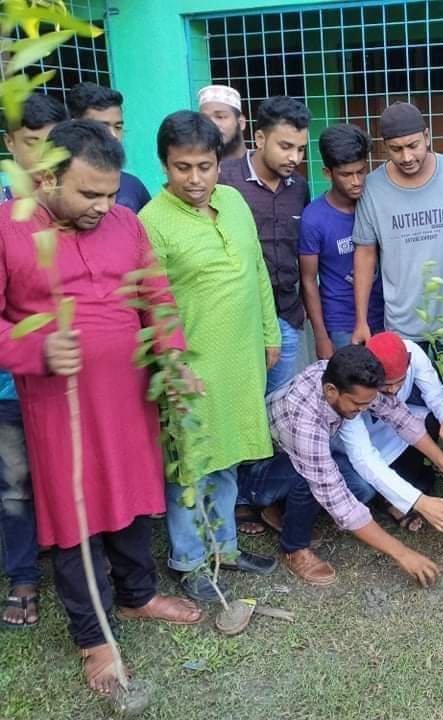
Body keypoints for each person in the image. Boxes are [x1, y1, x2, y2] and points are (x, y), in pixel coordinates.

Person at [0, 120, 204, 694]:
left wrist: (173, 360)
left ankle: (137, 595)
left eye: (111, 193)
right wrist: (34, 347)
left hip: (129, 396)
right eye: (89, 193)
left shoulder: (125, 224)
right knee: (77, 517)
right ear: (47, 176)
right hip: (60, 406)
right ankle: (93, 636)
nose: (103, 206)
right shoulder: (10, 231)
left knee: (133, 497)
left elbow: (155, 297)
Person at [140, 111, 281, 602]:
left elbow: (256, 270)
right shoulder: (151, 223)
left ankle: (225, 547)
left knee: (228, 456)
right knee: (192, 462)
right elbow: (151, 305)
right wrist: (174, 366)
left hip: (241, 355)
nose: (196, 179)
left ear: (219, 163)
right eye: (183, 168)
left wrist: (270, 333)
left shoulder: (235, 201)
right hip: (192, 366)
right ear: (164, 166)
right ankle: (189, 559)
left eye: (205, 166)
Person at [238, 344, 443, 586]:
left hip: (294, 456)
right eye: (357, 405)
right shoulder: (305, 422)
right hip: (259, 473)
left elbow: (401, 418)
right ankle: (294, 546)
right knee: (312, 480)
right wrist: (403, 553)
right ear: (331, 391)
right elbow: (336, 497)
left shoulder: (348, 378)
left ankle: (282, 509)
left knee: (360, 487)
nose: (364, 410)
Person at [0, 92, 68, 629]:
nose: (44, 157)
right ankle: (23, 575)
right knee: (17, 481)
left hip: (68, 381)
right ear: (9, 144)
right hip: (10, 382)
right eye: (32, 144)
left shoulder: (77, 206)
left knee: (67, 475)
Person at [351, 102, 443, 346]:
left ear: (427, 137)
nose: (407, 157)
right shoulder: (373, 188)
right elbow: (365, 255)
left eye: (413, 146)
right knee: (407, 385)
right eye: (396, 149)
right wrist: (361, 321)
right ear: (384, 146)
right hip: (401, 326)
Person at [219, 95, 311, 392]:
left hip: (286, 313)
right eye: (285, 147)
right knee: (243, 399)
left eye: (300, 149)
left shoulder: (299, 187)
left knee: (278, 404)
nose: (294, 158)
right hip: (239, 317)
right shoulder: (224, 181)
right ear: (259, 138)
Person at [331, 331, 443, 531]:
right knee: (364, 489)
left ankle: (407, 489)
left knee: (428, 421)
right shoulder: (355, 384)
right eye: (386, 385)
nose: (392, 390)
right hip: (360, 442)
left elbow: (430, 397)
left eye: (399, 381)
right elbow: (364, 456)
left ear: (408, 363)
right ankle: (389, 499)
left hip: (396, 428)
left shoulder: (412, 352)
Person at [299, 124, 384, 358]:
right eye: (347, 174)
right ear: (328, 173)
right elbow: (308, 281)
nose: (356, 181)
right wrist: (321, 337)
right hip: (341, 324)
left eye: (361, 171)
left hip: (386, 315)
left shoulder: (375, 204)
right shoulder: (313, 218)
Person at [66, 82, 151, 212]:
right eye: (102, 127)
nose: (113, 136)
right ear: (75, 127)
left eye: (118, 127)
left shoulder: (133, 187)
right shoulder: (59, 187)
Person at [198, 84, 247, 161]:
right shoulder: (198, 169)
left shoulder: (257, 165)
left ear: (241, 123)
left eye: (220, 117)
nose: (212, 124)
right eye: (205, 119)